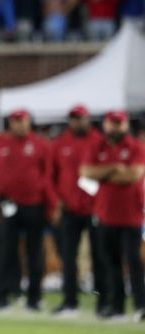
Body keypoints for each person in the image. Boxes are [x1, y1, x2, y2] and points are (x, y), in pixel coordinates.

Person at [0, 109, 54, 311]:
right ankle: (3, 296)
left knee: (35, 252)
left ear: (29, 122)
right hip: (7, 205)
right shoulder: (1, 143)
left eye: (22, 121)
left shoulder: (41, 145)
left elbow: (48, 175)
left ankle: (34, 297)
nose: (19, 124)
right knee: (6, 251)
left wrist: (50, 204)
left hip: (34, 204)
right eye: (15, 121)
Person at [80, 111, 145, 320]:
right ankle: (116, 306)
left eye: (119, 123)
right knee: (111, 262)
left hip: (132, 215)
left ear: (125, 124)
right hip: (105, 214)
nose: (115, 127)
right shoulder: (97, 146)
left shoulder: (135, 147)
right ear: (106, 124)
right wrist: (114, 168)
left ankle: (140, 305)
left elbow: (133, 175)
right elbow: (86, 172)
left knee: (134, 261)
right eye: (112, 123)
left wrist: (103, 173)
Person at [50, 105, 104, 316]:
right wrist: (57, 200)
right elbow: (51, 176)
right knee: (68, 256)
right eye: (74, 118)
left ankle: (103, 302)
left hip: (95, 209)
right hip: (69, 208)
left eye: (80, 118)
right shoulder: (61, 143)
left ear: (88, 119)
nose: (77, 122)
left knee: (100, 256)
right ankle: (70, 301)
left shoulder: (100, 141)